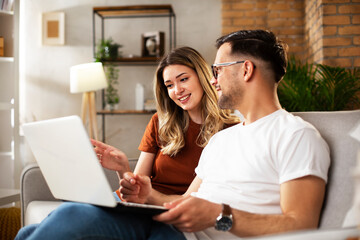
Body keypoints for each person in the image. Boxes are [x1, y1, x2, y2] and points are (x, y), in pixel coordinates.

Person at [16, 30, 330, 240]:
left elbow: (301, 224)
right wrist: (147, 196)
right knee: (30, 233)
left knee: (70, 216)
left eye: (218, 69)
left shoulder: (296, 135)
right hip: (172, 226)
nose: (214, 79)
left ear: (246, 70)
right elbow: (185, 201)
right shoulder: (224, 140)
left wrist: (221, 215)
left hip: (189, 235)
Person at [15, 46, 238, 240]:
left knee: (60, 221)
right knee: (27, 233)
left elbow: (188, 202)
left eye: (183, 79)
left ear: (202, 76)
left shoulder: (229, 131)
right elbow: (136, 186)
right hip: (137, 206)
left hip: (166, 211)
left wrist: (146, 196)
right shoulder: (161, 122)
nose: (177, 90)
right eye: (169, 85)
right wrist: (123, 169)